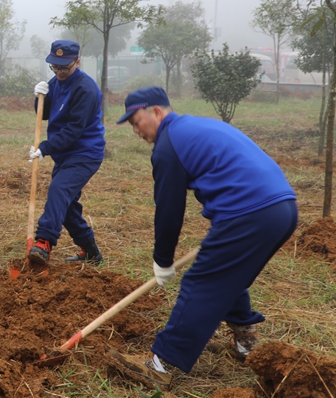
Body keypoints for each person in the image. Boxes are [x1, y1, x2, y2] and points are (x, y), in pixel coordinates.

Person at [109, 86, 297, 389]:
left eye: (136, 122)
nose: (135, 131)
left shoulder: (168, 146)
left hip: (249, 212)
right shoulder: (196, 126)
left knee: (203, 283)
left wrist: (162, 259)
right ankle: (246, 340)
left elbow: (169, 209)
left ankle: (160, 364)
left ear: (155, 112)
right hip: (282, 209)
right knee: (228, 274)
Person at [26, 40, 106, 266]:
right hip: (65, 154)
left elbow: (73, 130)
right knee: (66, 205)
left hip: (85, 153)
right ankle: (91, 252)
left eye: (64, 68)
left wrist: (45, 147)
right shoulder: (56, 81)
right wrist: (39, 97)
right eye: (55, 67)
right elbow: (43, 114)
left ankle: (43, 242)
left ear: (77, 62)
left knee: (59, 190)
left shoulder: (85, 89)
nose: (59, 72)